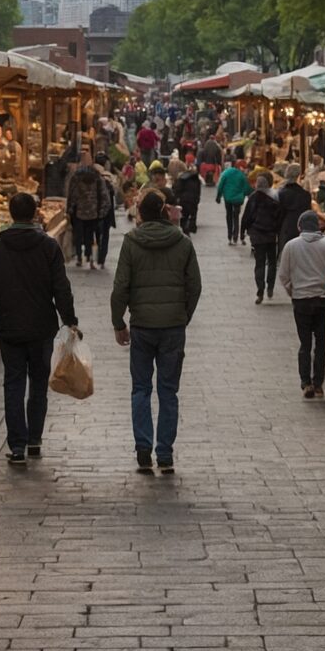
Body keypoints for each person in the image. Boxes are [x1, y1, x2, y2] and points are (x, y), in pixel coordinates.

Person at [0, 193, 79, 465]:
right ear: (35, 214)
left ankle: (17, 446)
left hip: (9, 327)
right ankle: (34, 439)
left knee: (13, 383)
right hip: (41, 327)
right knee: (38, 383)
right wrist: (69, 319)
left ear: (11, 214)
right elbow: (61, 287)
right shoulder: (48, 247)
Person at [111, 188, 203, 475]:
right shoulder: (183, 242)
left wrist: (119, 322)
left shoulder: (131, 242)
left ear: (141, 214)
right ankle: (164, 453)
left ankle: (142, 446)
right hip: (173, 327)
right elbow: (195, 285)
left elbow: (120, 287)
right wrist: (183, 315)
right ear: (164, 212)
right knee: (168, 391)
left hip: (142, 326)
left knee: (140, 388)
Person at [279, 210, 325, 399]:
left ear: (300, 226)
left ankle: (305, 382)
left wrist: (293, 290)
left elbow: (283, 274)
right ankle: (318, 383)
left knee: (305, 343)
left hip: (301, 300)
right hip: (324, 300)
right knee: (322, 343)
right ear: (318, 227)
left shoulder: (291, 246)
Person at [242, 173, 284, 304]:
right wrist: (277, 230)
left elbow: (247, 216)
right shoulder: (275, 197)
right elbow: (280, 216)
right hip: (271, 236)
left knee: (259, 263)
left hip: (257, 235)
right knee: (272, 262)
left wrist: (243, 231)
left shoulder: (253, 198)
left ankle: (260, 290)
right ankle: (270, 287)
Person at [66, 150, 112, 269]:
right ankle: (90, 257)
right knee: (90, 236)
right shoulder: (97, 177)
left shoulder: (76, 177)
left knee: (78, 235)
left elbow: (72, 194)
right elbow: (104, 196)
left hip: (79, 212)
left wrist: (69, 209)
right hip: (94, 212)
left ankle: (80, 258)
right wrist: (102, 212)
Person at [276, 163, 314, 252]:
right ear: (299, 176)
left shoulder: (281, 193)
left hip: (285, 230)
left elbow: (278, 214)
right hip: (302, 231)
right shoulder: (305, 195)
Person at [215, 159, 251, 245]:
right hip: (238, 200)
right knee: (236, 217)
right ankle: (235, 237)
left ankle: (229, 236)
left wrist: (218, 196)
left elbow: (220, 185)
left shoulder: (226, 172)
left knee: (229, 216)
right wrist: (244, 194)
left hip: (227, 198)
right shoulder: (242, 176)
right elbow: (247, 189)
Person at [94, 153, 118, 270]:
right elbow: (115, 192)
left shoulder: (91, 175)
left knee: (96, 234)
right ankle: (102, 258)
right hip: (107, 211)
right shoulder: (109, 177)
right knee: (105, 234)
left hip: (94, 210)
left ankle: (96, 255)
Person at [173, 161, 203, 236]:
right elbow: (198, 191)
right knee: (192, 215)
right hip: (193, 200)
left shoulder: (182, 178)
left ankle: (185, 230)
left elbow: (177, 189)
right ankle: (190, 228)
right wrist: (197, 199)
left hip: (184, 200)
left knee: (184, 217)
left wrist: (176, 198)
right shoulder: (196, 179)